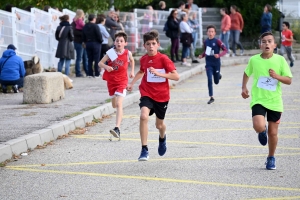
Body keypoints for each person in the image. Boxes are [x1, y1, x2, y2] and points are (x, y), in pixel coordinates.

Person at [241, 32, 292, 170]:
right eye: (264, 41)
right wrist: (244, 87)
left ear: (275, 45)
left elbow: (289, 80)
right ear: (260, 45)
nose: (267, 44)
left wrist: (277, 76)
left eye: (270, 41)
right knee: (258, 125)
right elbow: (246, 72)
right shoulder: (254, 60)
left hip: (275, 101)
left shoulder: (280, 60)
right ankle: (261, 131)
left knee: (273, 133)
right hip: (258, 99)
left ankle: (271, 157)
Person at [126, 30, 180, 161]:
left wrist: (159, 74)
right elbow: (141, 71)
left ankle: (162, 137)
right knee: (143, 116)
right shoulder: (144, 59)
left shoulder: (163, 59)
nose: (151, 46)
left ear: (158, 45)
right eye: (148, 44)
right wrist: (132, 83)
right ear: (144, 46)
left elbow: (176, 76)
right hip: (147, 92)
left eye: (153, 43)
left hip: (162, 96)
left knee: (159, 125)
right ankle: (144, 149)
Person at [98, 32, 135, 139]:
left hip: (122, 81)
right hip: (111, 82)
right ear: (114, 42)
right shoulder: (111, 53)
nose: (119, 43)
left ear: (125, 43)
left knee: (119, 104)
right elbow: (100, 63)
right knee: (114, 105)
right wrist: (106, 67)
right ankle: (117, 124)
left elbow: (132, 61)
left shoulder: (128, 53)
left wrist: (132, 72)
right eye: (117, 41)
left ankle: (117, 128)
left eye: (121, 41)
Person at [199, 25, 227, 104]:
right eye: (209, 31)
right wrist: (202, 55)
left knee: (216, 82)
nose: (210, 33)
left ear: (214, 33)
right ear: (207, 33)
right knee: (209, 79)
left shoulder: (217, 41)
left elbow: (225, 50)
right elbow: (206, 51)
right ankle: (211, 97)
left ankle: (218, 75)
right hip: (208, 64)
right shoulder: (206, 42)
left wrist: (219, 55)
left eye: (212, 32)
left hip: (216, 63)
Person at [72, 9, 88, 77]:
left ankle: (87, 71)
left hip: (78, 42)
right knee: (80, 58)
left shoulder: (74, 22)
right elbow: (77, 32)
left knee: (84, 57)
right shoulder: (79, 22)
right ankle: (78, 72)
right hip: (79, 42)